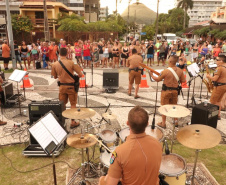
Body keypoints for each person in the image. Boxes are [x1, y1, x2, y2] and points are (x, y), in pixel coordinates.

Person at [98, 106, 162, 185]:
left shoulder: (119, 152)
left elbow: (111, 183)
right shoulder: (157, 144)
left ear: (127, 123)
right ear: (147, 124)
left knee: (102, 179)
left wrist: (106, 178)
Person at [150, 55, 186, 128]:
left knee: (164, 107)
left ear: (170, 61)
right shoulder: (180, 70)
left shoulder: (166, 71)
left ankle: (163, 123)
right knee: (174, 106)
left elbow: (157, 79)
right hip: (175, 91)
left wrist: (151, 75)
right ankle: (176, 121)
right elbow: (183, 81)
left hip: (166, 91)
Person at [51, 48, 83, 128]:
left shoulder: (55, 64)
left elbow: (54, 77)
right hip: (71, 87)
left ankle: (62, 121)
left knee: (62, 104)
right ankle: (73, 122)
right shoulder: (71, 62)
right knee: (73, 104)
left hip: (62, 87)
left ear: (59, 53)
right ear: (67, 53)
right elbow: (80, 74)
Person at [206, 55, 226, 120]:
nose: (216, 61)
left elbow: (214, 79)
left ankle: (212, 116)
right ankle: (218, 115)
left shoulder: (219, 68)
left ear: (221, 61)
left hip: (219, 86)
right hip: (224, 86)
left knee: (213, 101)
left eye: (217, 60)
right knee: (219, 101)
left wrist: (209, 76)